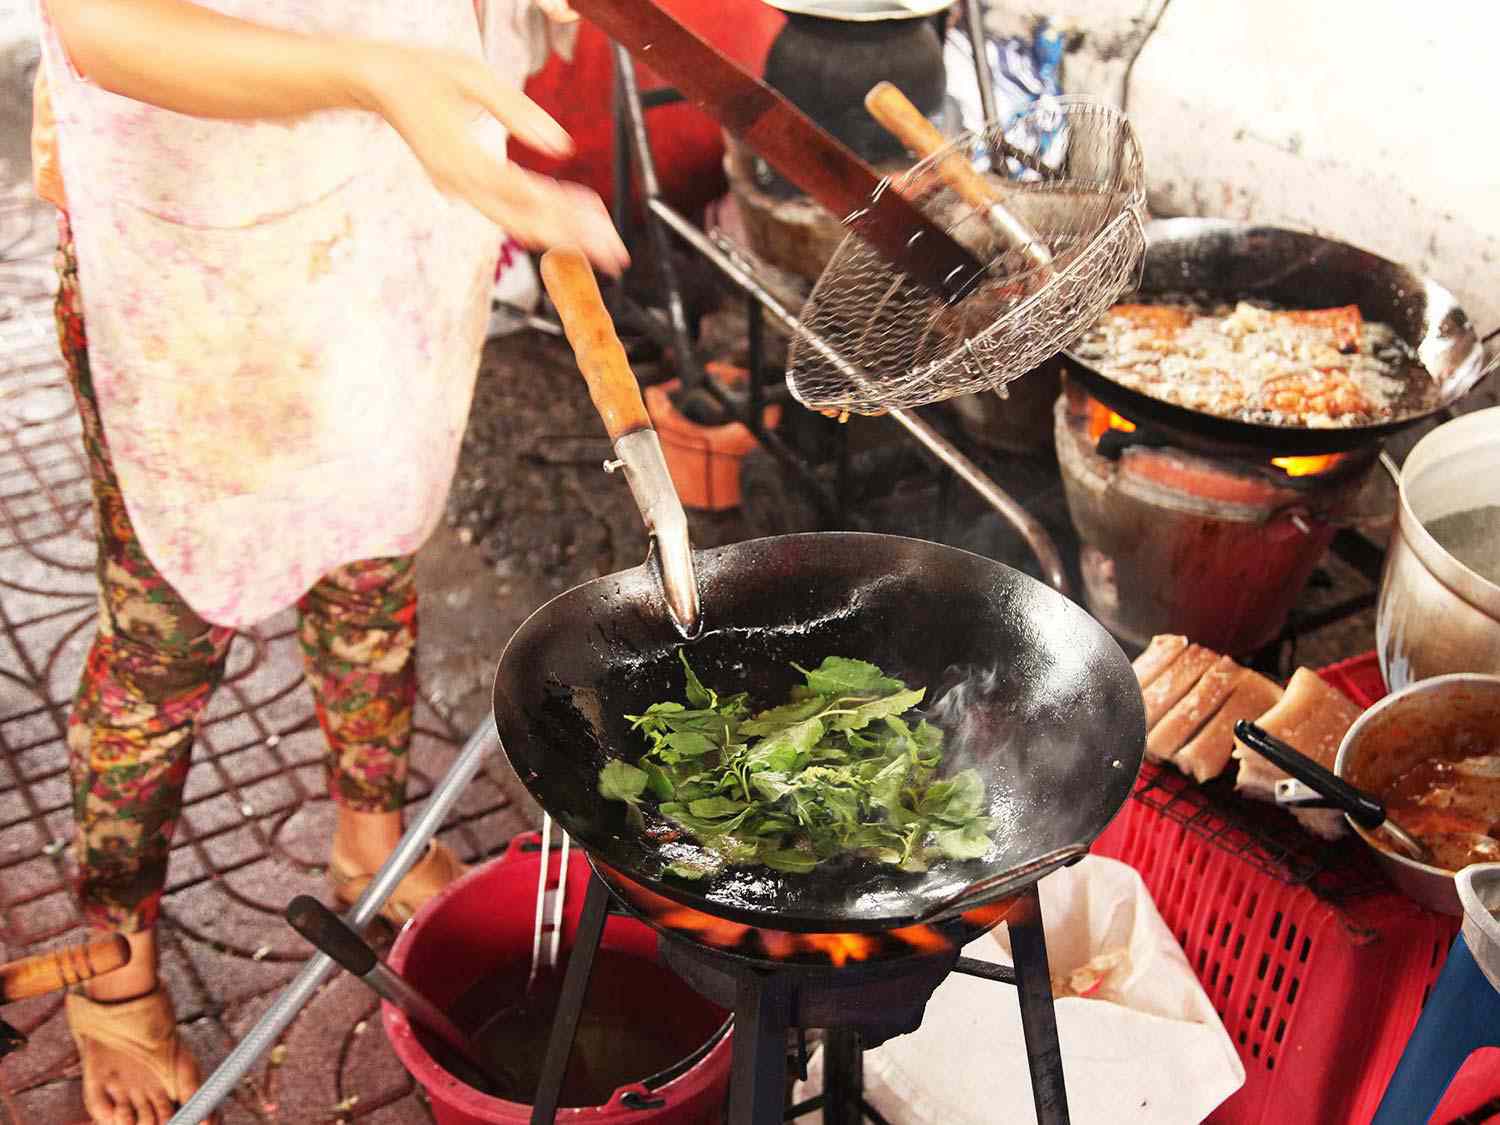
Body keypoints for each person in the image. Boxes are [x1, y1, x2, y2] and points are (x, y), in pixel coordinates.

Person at [31, 1, 628, 1122]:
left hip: (383, 226)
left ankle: (373, 844)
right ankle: (114, 969)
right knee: (162, 642)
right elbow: (105, 24)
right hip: (197, 243)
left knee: (373, 547)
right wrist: (372, 74)